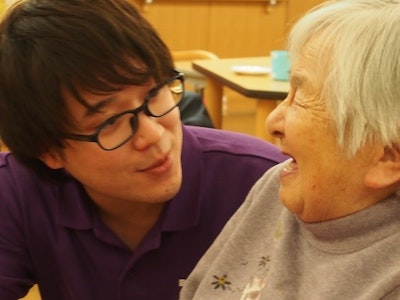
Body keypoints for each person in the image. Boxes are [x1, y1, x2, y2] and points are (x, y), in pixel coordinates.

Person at [0, 0, 286, 299]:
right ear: (49, 151)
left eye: (153, 93)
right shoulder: (15, 191)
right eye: (110, 122)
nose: (152, 134)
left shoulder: (262, 182)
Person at [180, 0, 400, 299]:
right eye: (289, 91)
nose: (273, 122)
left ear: (387, 157)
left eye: (301, 98)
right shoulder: (280, 186)